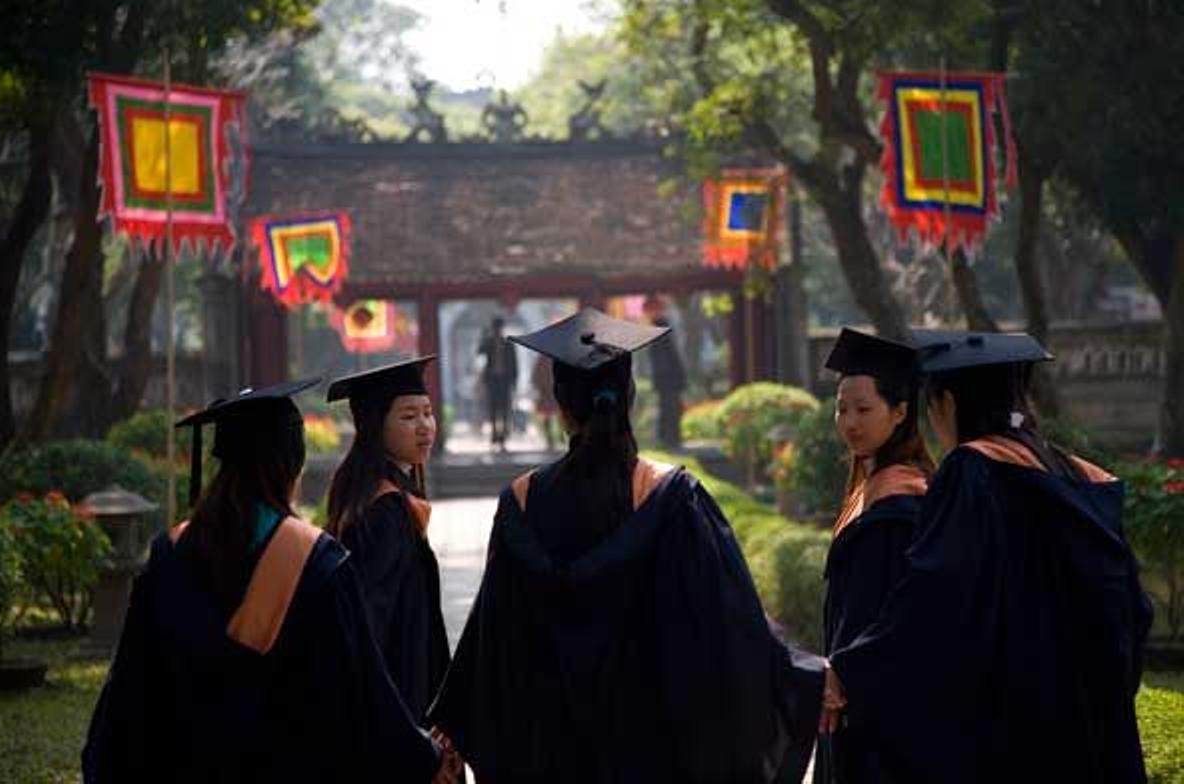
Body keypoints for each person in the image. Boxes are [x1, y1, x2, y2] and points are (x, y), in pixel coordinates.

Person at [428, 308, 824, 784]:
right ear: (630, 395)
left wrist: (449, 726)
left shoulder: (521, 503)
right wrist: (802, 672)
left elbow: (492, 638)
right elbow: (728, 622)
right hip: (651, 748)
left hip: (550, 752)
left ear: (558, 401)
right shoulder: (672, 498)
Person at [83, 380, 458, 784]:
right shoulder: (316, 562)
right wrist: (426, 756)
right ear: (292, 465)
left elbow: (129, 689)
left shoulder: (170, 552)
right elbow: (363, 691)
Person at [823, 330, 1154, 784]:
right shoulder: (1080, 476)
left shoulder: (973, 470)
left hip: (1017, 722)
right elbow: (1135, 608)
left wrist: (849, 670)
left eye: (933, 405)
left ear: (951, 404)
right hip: (1090, 720)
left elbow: (933, 596)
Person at [816, 328, 933, 783]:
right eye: (842, 409)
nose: (850, 422)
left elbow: (894, 612)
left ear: (901, 412)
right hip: (851, 689)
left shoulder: (903, 502)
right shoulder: (871, 486)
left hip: (881, 703)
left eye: (864, 409)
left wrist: (842, 674)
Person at [324, 356, 450, 718]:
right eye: (409, 417)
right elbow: (372, 623)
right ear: (373, 425)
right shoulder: (384, 511)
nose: (425, 426)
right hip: (397, 695)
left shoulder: (376, 494)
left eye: (427, 412)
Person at [644, 295, 686, 448]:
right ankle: (669, 438)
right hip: (667, 376)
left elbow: (668, 356)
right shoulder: (661, 327)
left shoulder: (661, 328)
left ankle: (670, 438)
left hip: (668, 376)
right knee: (669, 407)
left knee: (670, 407)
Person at [478, 316, 518, 451]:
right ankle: (494, 436)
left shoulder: (508, 344)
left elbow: (514, 364)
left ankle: (503, 439)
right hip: (492, 381)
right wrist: (483, 336)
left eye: (499, 328)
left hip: (505, 381)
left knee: (505, 410)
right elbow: (479, 352)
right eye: (495, 328)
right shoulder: (488, 343)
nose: (497, 331)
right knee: (493, 410)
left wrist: (514, 382)